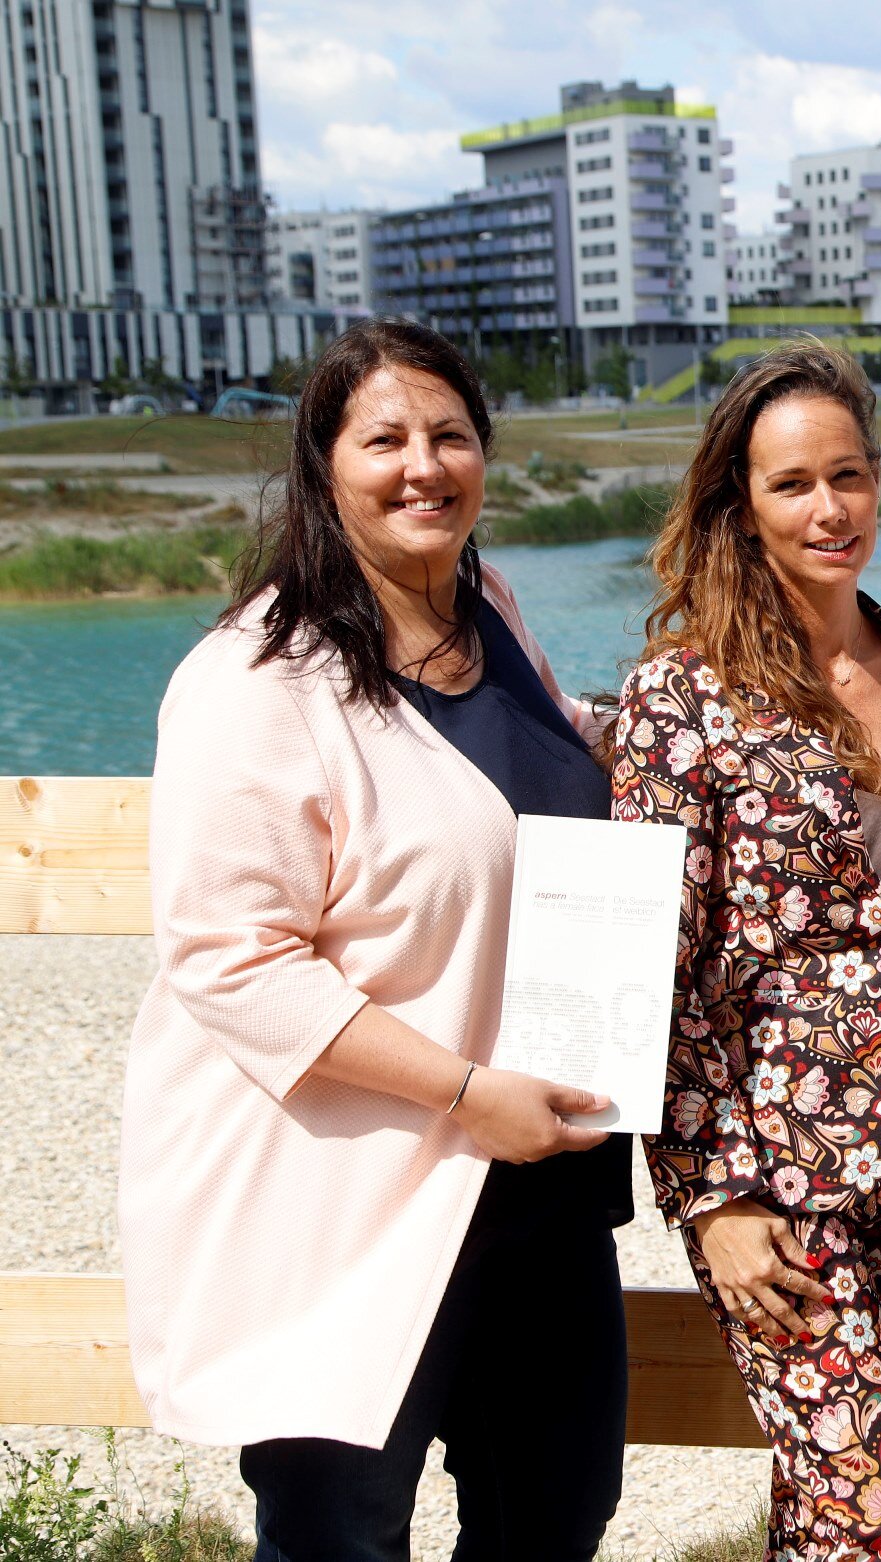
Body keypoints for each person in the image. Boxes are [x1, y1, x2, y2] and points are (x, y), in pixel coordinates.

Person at [119, 318, 631, 1561]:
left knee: (554, 1514)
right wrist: (461, 1089)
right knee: (340, 1534)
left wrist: (680, 723)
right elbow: (230, 957)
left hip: (534, 1168)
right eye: (385, 439)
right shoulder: (257, 679)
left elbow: (539, 753)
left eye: (450, 434)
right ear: (323, 465)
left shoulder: (488, 608)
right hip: (352, 1192)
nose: (424, 465)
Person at [610, 342, 881, 1562]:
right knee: (880, 1512)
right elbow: (651, 964)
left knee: (824, 1495)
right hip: (769, 1171)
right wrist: (708, 1194)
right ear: (741, 503)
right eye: (792, 484)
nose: (829, 508)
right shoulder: (681, 693)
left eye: (848, 475)